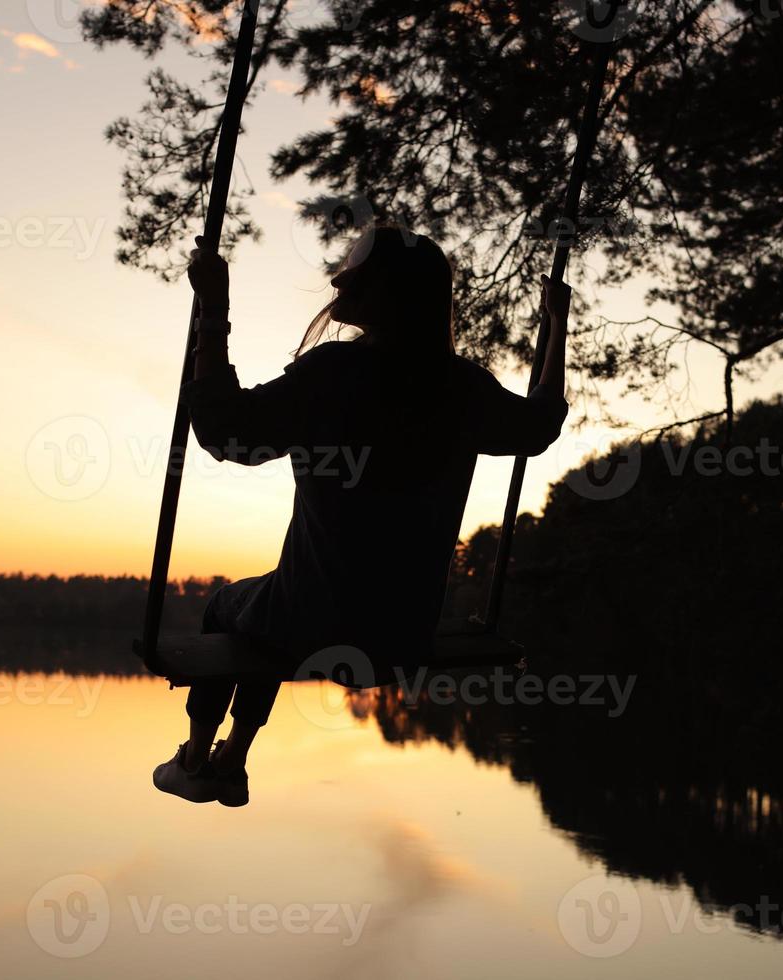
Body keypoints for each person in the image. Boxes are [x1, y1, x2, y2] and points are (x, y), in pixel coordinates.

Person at [153, 225, 571, 806]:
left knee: (235, 607)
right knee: (275, 607)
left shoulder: (333, 374)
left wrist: (213, 309)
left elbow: (224, 432)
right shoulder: (462, 388)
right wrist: (556, 325)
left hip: (307, 624)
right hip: (398, 638)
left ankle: (198, 757)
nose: (335, 277)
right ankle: (233, 760)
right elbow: (541, 424)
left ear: (381, 290)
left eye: (350, 267)